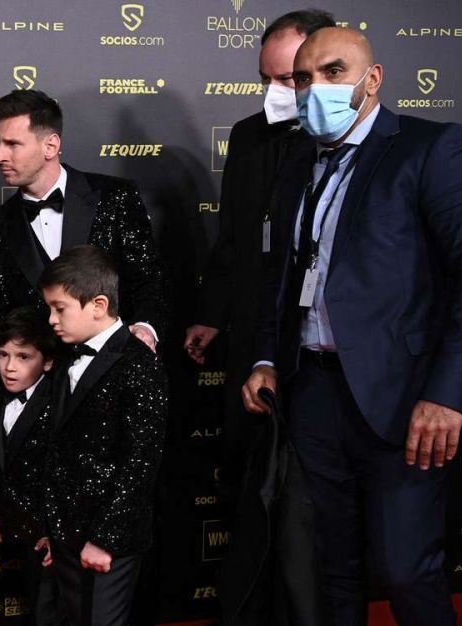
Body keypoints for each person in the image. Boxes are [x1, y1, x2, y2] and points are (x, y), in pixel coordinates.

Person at [242, 27, 462, 626]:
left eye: (332, 71)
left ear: (372, 77)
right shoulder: (299, 163)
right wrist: (270, 357)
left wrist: (446, 392)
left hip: (408, 403)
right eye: (303, 79)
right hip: (313, 392)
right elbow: (287, 272)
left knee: (409, 570)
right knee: (329, 565)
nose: (316, 90)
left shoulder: (431, 151)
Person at [0, 88, 170, 626]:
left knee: (122, 512)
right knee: (48, 526)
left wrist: (145, 335)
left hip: (114, 378)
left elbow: (150, 279)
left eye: (11, 142)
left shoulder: (114, 197)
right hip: (44, 395)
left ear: (50, 143)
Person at [40, 246, 182, 626]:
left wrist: (105, 535)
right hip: (66, 526)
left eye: (60, 309)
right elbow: (56, 452)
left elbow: (140, 462)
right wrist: (55, 528)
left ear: (98, 304)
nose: (51, 320)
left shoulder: (138, 363)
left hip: (112, 531)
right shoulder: (66, 362)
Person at [184, 9, 334, 497]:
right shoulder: (248, 135)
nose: (274, 91)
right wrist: (212, 314)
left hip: (318, 343)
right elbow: (233, 235)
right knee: (250, 477)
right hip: (252, 335)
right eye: (265, 78)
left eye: (288, 78)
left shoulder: (343, 139)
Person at [0, 306, 79, 626]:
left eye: (23, 357)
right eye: (4, 355)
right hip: (17, 524)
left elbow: (66, 472)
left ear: (49, 361)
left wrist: (54, 531)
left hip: (51, 529)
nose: (9, 367)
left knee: (49, 609)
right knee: (42, 604)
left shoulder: (62, 404)